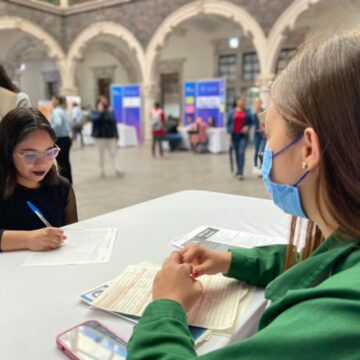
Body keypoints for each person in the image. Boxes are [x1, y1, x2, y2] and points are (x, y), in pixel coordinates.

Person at [127, 32, 360, 359]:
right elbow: (316, 262)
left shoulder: (342, 316)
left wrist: (166, 305)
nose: (265, 153)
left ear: (308, 149)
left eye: (267, 133)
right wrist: (228, 260)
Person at [0, 108, 78, 252]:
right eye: (30, 155)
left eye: (49, 153)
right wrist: (28, 239)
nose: (42, 163)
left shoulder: (62, 188)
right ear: (7, 152)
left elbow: (72, 236)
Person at [90, 96, 119, 177]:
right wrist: (100, 112)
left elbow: (113, 122)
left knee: (113, 153)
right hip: (99, 137)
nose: (103, 103)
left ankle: (117, 169)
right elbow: (94, 120)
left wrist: (116, 135)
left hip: (110, 136)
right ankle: (102, 170)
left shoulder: (110, 110)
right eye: (102, 102)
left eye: (105, 101)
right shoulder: (94, 111)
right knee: (101, 155)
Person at [227, 95, 252, 180]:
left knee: (241, 152)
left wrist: (247, 127)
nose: (243, 101)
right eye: (241, 100)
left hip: (243, 136)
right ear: (237, 101)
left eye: (244, 100)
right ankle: (238, 171)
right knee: (237, 153)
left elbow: (251, 122)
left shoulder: (247, 111)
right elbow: (228, 124)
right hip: (234, 135)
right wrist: (229, 134)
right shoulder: (231, 111)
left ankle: (241, 172)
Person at [50, 96, 73, 184]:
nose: (52, 101)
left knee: (61, 163)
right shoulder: (64, 111)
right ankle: (69, 181)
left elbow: (58, 124)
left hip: (60, 139)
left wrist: (49, 130)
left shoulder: (56, 111)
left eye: (53, 99)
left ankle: (63, 183)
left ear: (57, 101)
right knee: (66, 161)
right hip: (66, 138)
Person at [252, 97, 266, 175]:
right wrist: (255, 113)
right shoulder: (252, 113)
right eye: (256, 102)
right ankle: (255, 165)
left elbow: (266, 122)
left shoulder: (264, 111)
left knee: (261, 151)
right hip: (256, 134)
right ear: (254, 104)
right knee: (257, 150)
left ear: (261, 103)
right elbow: (252, 123)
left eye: (259, 102)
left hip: (263, 135)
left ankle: (261, 167)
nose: (258, 103)